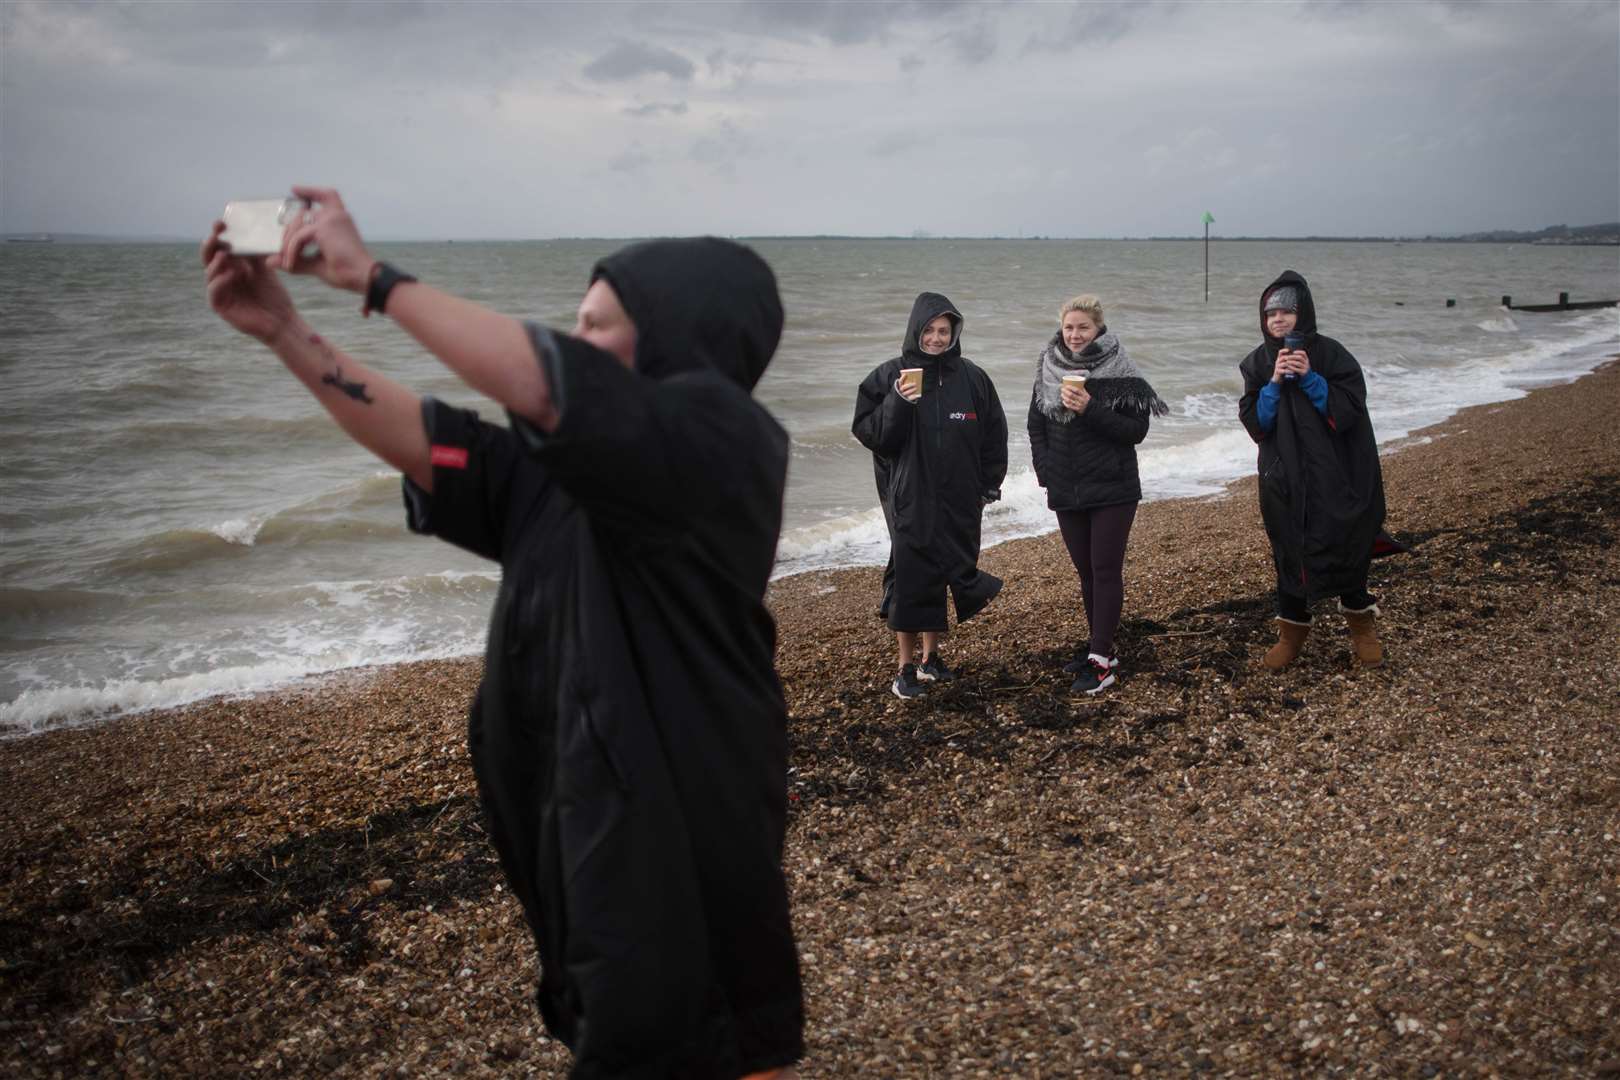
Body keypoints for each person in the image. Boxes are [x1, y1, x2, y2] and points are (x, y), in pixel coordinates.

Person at [201, 187, 803, 1079]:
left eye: (601, 325)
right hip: (585, 823)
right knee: (620, 1019)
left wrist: (373, 279)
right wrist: (285, 329)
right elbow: (431, 443)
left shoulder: (725, 444)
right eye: (578, 323)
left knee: (695, 1028)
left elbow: (551, 381)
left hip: (680, 838)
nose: (581, 341)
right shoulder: (568, 476)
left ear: (680, 336)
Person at [852, 292, 1007, 700]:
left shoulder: (972, 378)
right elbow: (874, 436)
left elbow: (994, 433)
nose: (937, 338)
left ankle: (931, 659)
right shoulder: (890, 375)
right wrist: (899, 402)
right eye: (929, 330)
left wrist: (990, 483)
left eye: (944, 331)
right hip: (910, 497)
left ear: (954, 334)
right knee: (910, 578)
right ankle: (904, 668)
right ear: (915, 331)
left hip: (960, 495)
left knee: (947, 570)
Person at [1238, 270, 1387, 669]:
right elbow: (1257, 423)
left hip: (1333, 475)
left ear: (1303, 314)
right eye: (1271, 315)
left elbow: (1350, 409)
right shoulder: (1256, 363)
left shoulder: (1331, 354)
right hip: (1282, 479)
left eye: (1287, 312)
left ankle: (1361, 626)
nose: (1278, 321)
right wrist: (1273, 382)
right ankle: (1292, 633)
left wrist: (1310, 378)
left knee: (1345, 545)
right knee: (1289, 552)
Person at [1027, 295, 1168, 694]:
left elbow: (1135, 432)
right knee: (1086, 571)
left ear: (1098, 329)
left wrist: (1091, 406)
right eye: (1069, 327)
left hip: (1113, 487)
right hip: (1066, 486)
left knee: (1105, 571)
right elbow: (1035, 425)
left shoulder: (1120, 368)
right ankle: (1099, 648)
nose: (1075, 335)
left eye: (1083, 327)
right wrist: (1046, 471)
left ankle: (1102, 660)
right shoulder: (1049, 365)